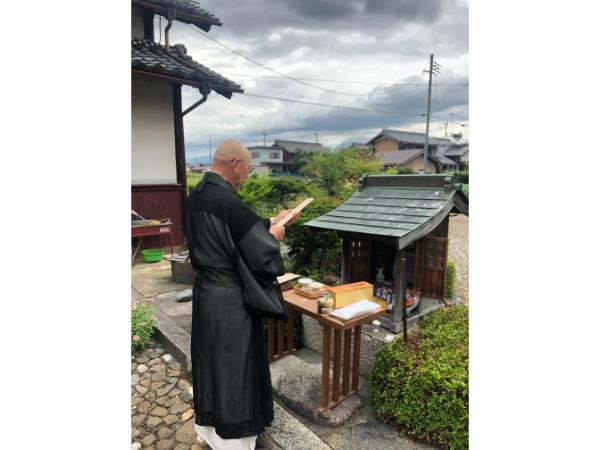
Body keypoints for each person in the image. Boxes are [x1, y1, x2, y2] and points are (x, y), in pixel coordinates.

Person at [186, 139, 299, 449]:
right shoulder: (228, 201)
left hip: (206, 293)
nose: (247, 176)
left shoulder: (199, 194)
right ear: (235, 164)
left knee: (212, 362)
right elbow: (259, 251)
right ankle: (234, 442)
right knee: (236, 366)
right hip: (230, 301)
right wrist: (273, 237)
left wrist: (273, 221)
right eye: (248, 169)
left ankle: (210, 430)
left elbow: (236, 228)